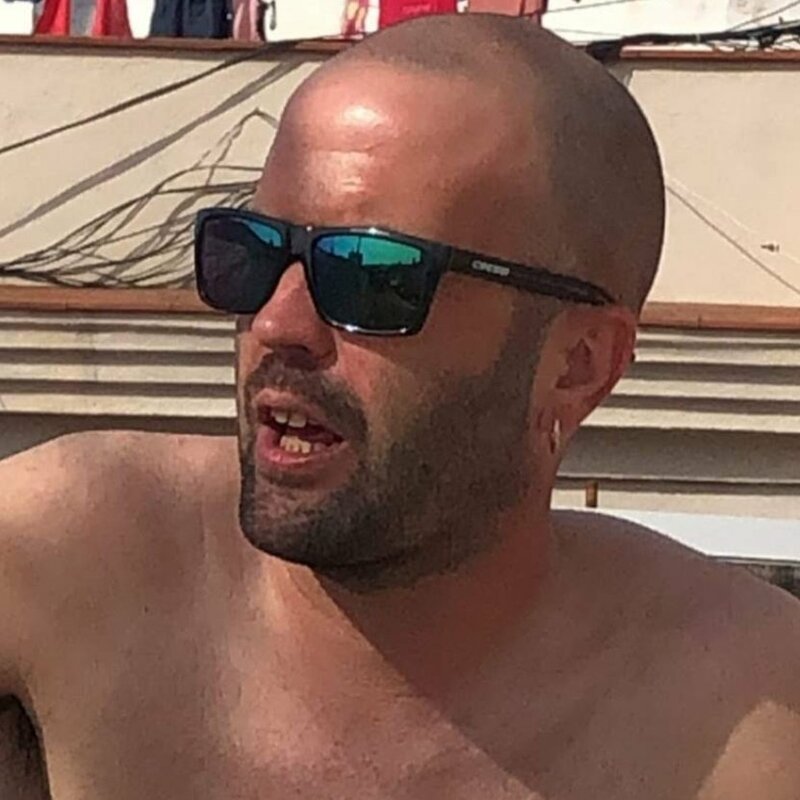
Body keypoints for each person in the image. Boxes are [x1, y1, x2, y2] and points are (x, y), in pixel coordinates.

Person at [2, 14, 799, 800]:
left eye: (371, 275)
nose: (278, 324)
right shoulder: (70, 561)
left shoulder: (743, 716)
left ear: (578, 364)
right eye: (252, 253)